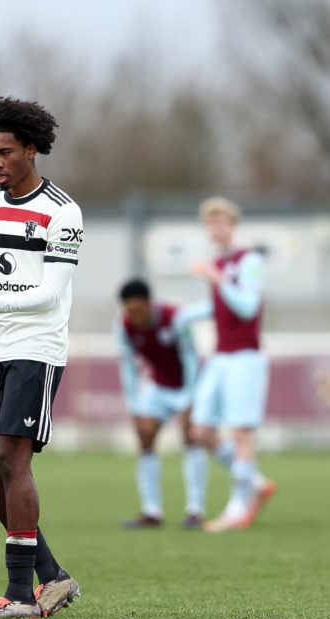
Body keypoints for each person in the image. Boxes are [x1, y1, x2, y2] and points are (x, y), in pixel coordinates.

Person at [0, 96, 82, 619]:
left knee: (13, 458)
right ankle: (51, 575)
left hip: (38, 347)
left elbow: (49, 293)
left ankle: (18, 594)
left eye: (6, 152)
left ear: (32, 150)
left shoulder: (63, 212)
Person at [185, 196, 275, 533]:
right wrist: (182, 316)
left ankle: (239, 507)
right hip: (220, 355)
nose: (216, 229)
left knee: (240, 431)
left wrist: (217, 278)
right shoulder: (218, 263)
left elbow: (247, 308)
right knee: (201, 430)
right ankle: (256, 483)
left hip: (245, 358)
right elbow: (219, 309)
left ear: (233, 226)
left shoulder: (248, 260)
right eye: (211, 223)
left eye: (222, 222)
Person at [115, 278, 208, 530]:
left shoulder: (175, 318)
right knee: (144, 437)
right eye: (129, 310)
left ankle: (195, 511)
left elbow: (190, 359)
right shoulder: (124, 327)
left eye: (138, 309)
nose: (134, 316)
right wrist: (134, 406)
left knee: (191, 437)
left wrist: (190, 399)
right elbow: (128, 367)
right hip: (157, 387)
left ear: (149, 304)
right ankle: (151, 511)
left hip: (187, 386)